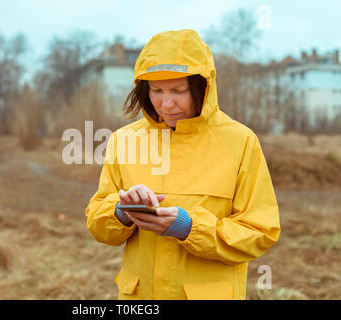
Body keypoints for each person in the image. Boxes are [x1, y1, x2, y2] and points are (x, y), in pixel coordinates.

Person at [85, 29, 281, 300]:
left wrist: (190, 228)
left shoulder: (240, 142)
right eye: (156, 90)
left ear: (203, 87)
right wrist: (121, 211)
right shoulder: (124, 140)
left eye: (179, 90)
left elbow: (260, 231)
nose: (166, 104)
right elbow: (97, 221)